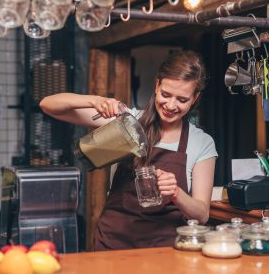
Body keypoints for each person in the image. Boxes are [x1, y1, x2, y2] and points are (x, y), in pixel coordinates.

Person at [39, 50, 217, 250]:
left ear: (195, 98)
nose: (170, 105)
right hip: (113, 243)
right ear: (157, 85)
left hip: (164, 250)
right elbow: (48, 105)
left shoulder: (201, 142)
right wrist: (95, 100)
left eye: (182, 100)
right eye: (166, 94)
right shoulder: (127, 120)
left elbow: (202, 215)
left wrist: (176, 193)